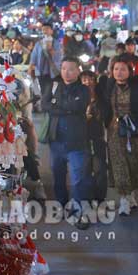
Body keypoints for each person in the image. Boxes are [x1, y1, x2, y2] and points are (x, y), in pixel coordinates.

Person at [96, 56, 138, 216]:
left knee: (134, 163)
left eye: (123, 69)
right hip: (114, 130)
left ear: (130, 71)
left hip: (134, 131)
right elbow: (101, 102)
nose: (119, 72)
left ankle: (131, 195)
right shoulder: (109, 85)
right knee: (119, 164)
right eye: (116, 69)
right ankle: (123, 199)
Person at [43, 57, 92, 228]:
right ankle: (61, 205)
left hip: (76, 142)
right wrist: (66, 107)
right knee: (58, 176)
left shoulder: (84, 90)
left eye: (70, 69)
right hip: (56, 140)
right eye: (63, 68)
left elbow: (78, 106)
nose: (66, 72)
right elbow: (44, 104)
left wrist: (58, 106)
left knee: (79, 179)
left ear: (78, 71)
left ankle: (79, 212)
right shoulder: (54, 85)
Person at [82, 68, 109, 203]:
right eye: (85, 79)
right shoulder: (78, 96)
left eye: (91, 79)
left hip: (98, 136)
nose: (88, 82)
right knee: (85, 168)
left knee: (100, 168)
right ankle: (87, 195)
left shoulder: (101, 97)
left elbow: (106, 114)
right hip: (82, 138)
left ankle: (100, 197)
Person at [30, 21, 63, 108]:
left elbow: (59, 56)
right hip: (41, 70)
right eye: (43, 29)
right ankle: (46, 104)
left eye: (47, 29)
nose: (45, 31)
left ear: (51, 31)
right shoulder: (39, 43)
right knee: (43, 88)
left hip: (52, 71)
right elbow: (34, 55)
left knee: (50, 88)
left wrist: (53, 52)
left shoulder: (56, 43)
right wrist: (32, 65)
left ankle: (47, 105)